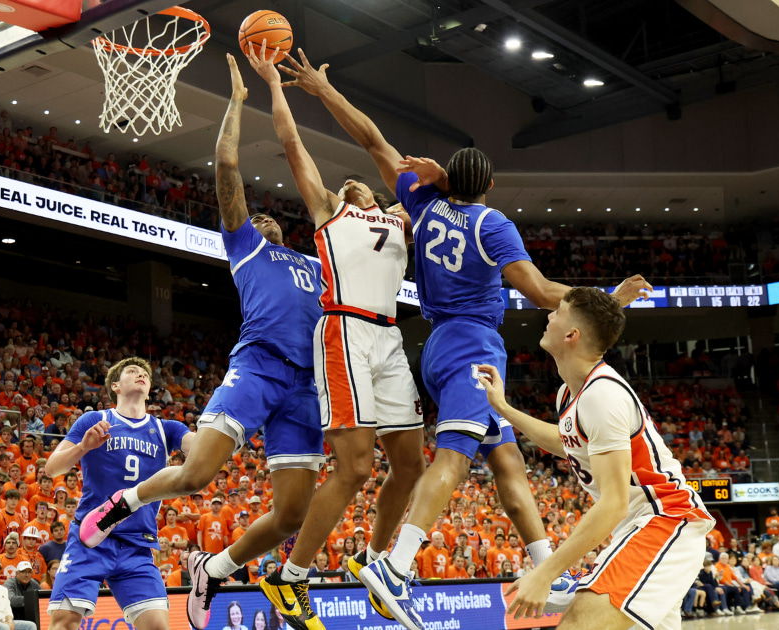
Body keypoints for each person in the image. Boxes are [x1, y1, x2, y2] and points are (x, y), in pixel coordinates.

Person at [275, 50, 649, 630]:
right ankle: (395, 566)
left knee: (507, 465)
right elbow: (546, 292)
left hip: (439, 343)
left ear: (447, 178)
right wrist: (610, 299)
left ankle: (545, 568)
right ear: (492, 186)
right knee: (453, 456)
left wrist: (324, 91)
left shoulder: (422, 204)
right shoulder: (491, 224)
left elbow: (373, 139)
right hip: (473, 346)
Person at [78, 58, 325, 630]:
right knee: (195, 476)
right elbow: (227, 166)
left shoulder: (319, 264)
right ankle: (124, 503)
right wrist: (237, 103)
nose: (259, 217)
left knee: (291, 515)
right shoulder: (247, 247)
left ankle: (214, 568)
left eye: (269, 216)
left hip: (307, 385)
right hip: (259, 367)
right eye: (252, 215)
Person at [244, 46, 424, 630]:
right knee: (352, 469)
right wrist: (275, 85)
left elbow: (374, 141)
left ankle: (374, 564)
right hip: (344, 328)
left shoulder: (401, 214)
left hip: (390, 338)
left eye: (361, 183)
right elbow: (293, 145)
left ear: (375, 193)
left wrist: (326, 91)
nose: (352, 182)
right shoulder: (328, 210)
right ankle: (288, 578)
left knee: (411, 464)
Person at [475, 287, 713, 630]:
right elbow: (568, 441)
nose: (548, 316)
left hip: (663, 520)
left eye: (557, 312)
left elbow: (614, 503)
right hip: (639, 527)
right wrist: (504, 408)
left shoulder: (602, 395)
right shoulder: (571, 393)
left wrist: (546, 572)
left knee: (578, 623)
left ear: (572, 334)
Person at [43, 358, 193, 630]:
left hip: (137, 543)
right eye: (132, 371)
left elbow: (201, 449)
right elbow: (52, 468)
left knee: (158, 627)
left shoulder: (165, 428)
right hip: (90, 539)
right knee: (63, 623)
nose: (141, 375)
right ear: (115, 385)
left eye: (145, 374)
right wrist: (84, 447)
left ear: (149, 390)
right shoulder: (96, 419)